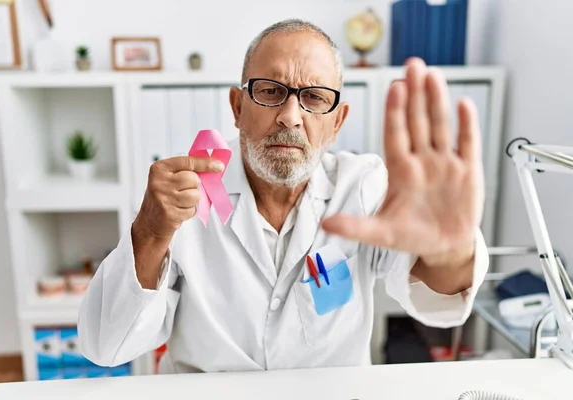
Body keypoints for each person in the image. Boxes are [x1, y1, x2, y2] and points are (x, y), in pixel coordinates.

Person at [78, 19, 489, 374]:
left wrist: (449, 252)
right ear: (238, 108)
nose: (291, 115)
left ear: (337, 121)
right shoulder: (188, 193)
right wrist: (150, 231)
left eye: (314, 98)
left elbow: (438, 302)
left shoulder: (363, 187)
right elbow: (107, 346)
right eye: (271, 91)